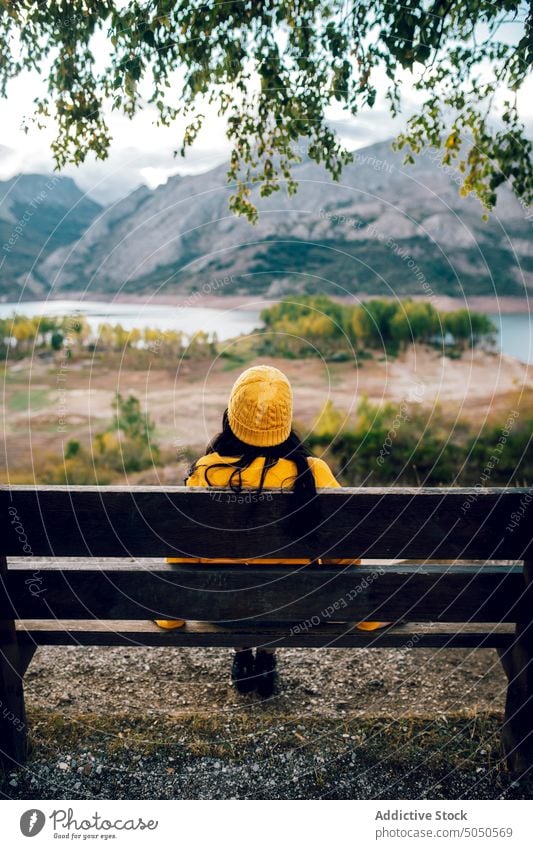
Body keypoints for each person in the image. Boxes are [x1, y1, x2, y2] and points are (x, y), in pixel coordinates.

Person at [155, 365, 386, 696]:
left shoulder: (206, 472)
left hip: (222, 610)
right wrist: (365, 613)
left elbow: (183, 555)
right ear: (285, 420)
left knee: (236, 584)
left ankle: (242, 652)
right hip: (295, 610)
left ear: (232, 416)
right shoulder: (313, 473)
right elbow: (344, 551)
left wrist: (171, 616)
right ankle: (266, 654)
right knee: (276, 586)